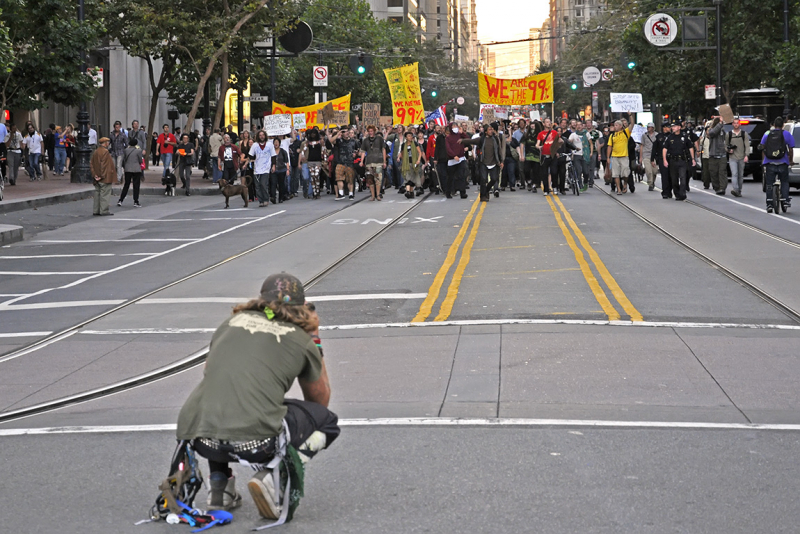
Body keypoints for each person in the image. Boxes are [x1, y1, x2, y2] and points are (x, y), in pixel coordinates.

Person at [175, 273, 339, 520]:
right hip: (258, 444)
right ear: (301, 307)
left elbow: (210, 371)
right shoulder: (300, 339)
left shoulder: (231, 323)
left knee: (222, 400)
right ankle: (278, 475)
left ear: (261, 300)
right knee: (327, 422)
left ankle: (219, 487)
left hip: (200, 438)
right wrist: (314, 337)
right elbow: (319, 402)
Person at [462, 121, 505, 202]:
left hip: (494, 162)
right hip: (484, 162)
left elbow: (499, 150)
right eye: (489, 130)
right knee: (483, 180)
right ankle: (483, 196)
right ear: (486, 132)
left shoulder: (495, 139)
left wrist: (501, 161)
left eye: (492, 130)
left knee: (494, 178)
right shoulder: (482, 139)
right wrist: (462, 141)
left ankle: (486, 191)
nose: (491, 131)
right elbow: (471, 141)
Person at [761, 116, 795, 213]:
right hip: (782, 162)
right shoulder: (787, 134)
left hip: (770, 162)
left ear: (774, 125)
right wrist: (790, 160)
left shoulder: (767, 133)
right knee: (784, 181)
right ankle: (785, 200)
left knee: (769, 184)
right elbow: (791, 149)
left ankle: (769, 204)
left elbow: (762, 147)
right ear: (783, 125)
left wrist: (764, 161)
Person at [662, 121, 696, 201]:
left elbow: (690, 147)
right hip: (673, 160)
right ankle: (677, 193)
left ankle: (682, 194)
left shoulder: (685, 137)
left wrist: (693, 159)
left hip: (682, 160)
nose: (673, 128)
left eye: (675, 126)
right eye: (672, 126)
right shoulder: (670, 137)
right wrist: (664, 160)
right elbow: (664, 149)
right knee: (674, 179)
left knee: (683, 177)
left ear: (679, 127)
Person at [327, 127, 358, 200]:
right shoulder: (339, 141)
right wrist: (338, 133)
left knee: (350, 180)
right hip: (340, 162)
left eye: (348, 131)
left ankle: (351, 194)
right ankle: (341, 193)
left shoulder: (354, 141)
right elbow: (331, 141)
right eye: (345, 132)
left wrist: (356, 154)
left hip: (350, 162)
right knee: (339, 178)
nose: (347, 133)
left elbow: (358, 150)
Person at [606, 115, 633, 195]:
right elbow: (609, 146)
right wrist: (608, 157)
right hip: (615, 157)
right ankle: (618, 189)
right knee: (615, 174)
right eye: (614, 125)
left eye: (616, 125)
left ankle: (625, 184)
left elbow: (632, 124)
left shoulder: (626, 133)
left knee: (625, 173)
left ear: (621, 126)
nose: (615, 127)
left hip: (624, 156)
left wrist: (630, 115)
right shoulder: (612, 136)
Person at [90, 137, 116, 215]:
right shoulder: (105, 152)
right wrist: (102, 175)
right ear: (105, 143)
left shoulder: (96, 151)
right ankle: (103, 210)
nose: (108, 144)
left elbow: (91, 164)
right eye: (108, 142)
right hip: (104, 177)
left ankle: (96, 210)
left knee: (97, 193)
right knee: (105, 194)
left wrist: (95, 175)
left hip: (97, 176)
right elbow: (103, 165)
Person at [360, 125, 386, 201]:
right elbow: (363, 151)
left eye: (371, 131)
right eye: (369, 131)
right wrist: (361, 161)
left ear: (374, 131)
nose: (370, 133)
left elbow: (383, 149)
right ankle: (372, 196)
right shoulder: (365, 140)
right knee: (369, 179)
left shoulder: (379, 139)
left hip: (378, 161)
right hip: (369, 162)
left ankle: (378, 195)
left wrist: (384, 161)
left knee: (378, 179)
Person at [250, 130, 275, 207]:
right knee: (257, 186)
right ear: (258, 136)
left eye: (263, 135)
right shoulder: (255, 145)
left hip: (266, 168)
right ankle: (260, 200)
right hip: (257, 168)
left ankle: (265, 199)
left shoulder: (270, 145)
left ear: (265, 136)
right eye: (260, 135)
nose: (261, 136)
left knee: (263, 184)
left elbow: (273, 156)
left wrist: (273, 165)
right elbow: (250, 155)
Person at [445, 122, 469, 199]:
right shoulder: (448, 138)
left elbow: (468, 139)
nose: (455, 127)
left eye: (456, 126)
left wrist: (463, 133)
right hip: (452, 160)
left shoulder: (460, 135)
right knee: (451, 177)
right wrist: (453, 155)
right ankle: (448, 192)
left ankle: (463, 192)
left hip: (461, 159)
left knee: (461, 176)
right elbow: (448, 148)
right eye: (453, 126)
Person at [726, 119, 750, 197]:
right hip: (732, 157)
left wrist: (746, 155)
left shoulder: (744, 134)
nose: (736, 124)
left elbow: (747, 145)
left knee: (740, 174)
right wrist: (728, 150)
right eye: (734, 123)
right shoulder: (728, 134)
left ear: (739, 124)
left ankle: (739, 190)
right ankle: (735, 189)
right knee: (734, 173)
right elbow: (725, 145)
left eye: (737, 123)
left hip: (741, 157)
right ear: (732, 124)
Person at [118, 137, 144, 207]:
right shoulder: (138, 150)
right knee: (136, 185)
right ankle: (136, 201)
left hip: (128, 169)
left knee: (126, 184)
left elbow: (124, 160)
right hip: (136, 169)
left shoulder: (126, 150)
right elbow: (140, 160)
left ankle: (121, 200)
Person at [535, 118, 559, 196]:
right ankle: (546, 189)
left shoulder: (554, 132)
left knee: (554, 172)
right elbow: (537, 144)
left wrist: (557, 149)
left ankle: (555, 186)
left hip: (553, 155)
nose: (549, 123)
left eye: (550, 122)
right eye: (547, 122)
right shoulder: (541, 134)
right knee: (544, 173)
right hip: (544, 155)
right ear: (544, 124)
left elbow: (559, 141)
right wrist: (539, 147)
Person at [704, 117, 727, 194]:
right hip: (713, 155)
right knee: (713, 172)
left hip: (722, 155)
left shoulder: (724, 130)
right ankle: (716, 187)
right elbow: (712, 133)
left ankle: (722, 188)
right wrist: (719, 124)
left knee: (722, 172)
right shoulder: (710, 130)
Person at [301, 128, 325, 199]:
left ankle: (317, 191)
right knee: (313, 177)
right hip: (310, 161)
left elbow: (323, 150)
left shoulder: (320, 142)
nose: (313, 135)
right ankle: (315, 192)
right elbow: (303, 150)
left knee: (316, 175)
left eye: (314, 133)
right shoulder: (308, 143)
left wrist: (325, 159)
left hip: (318, 161)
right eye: (312, 134)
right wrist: (303, 156)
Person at [397, 130, 422, 199]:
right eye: (409, 136)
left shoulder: (415, 143)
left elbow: (420, 152)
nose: (410, 137)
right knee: (408, 177)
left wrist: (418, 160)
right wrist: (403, 160)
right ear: (406, 138)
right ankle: (408, 191)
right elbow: (402, 154)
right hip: (407, 164)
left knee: (413, 178)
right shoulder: (403, 145)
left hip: (414, 163)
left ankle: (411, 192)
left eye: (411, 136)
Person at [651, 122, 671, 197]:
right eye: (664, 127)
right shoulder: (659, 137)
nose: (665, 129)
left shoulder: (672, 136)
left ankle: (670, 190)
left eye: (667, 127)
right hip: (661, 158)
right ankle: (665, 192)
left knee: (671, 176)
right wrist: (652, 159)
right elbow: (654, 148)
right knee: (664, 175)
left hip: (671, 158)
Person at [270, 138, 290, 204]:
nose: (276, 143)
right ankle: (273, 197)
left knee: (281, 184)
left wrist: (287, 169)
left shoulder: (283, 151)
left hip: (282, 170)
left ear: (279, 143)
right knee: (273, 183)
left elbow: (286, 161)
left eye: (277, 142)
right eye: (275, 142)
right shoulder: (271, 151)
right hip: (273, 170)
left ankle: (281, 197)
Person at [639, 123, 658, 191]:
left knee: (654, 171)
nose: (648, 128)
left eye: (650, 127)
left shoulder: (657, 135)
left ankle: (653, 181)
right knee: (648, 170)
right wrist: (640, 157)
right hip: (646, 154)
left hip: (654, 155)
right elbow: (642, 146)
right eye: (648, 127)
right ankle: (650, 184)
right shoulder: (644, 135)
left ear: (653, 128)